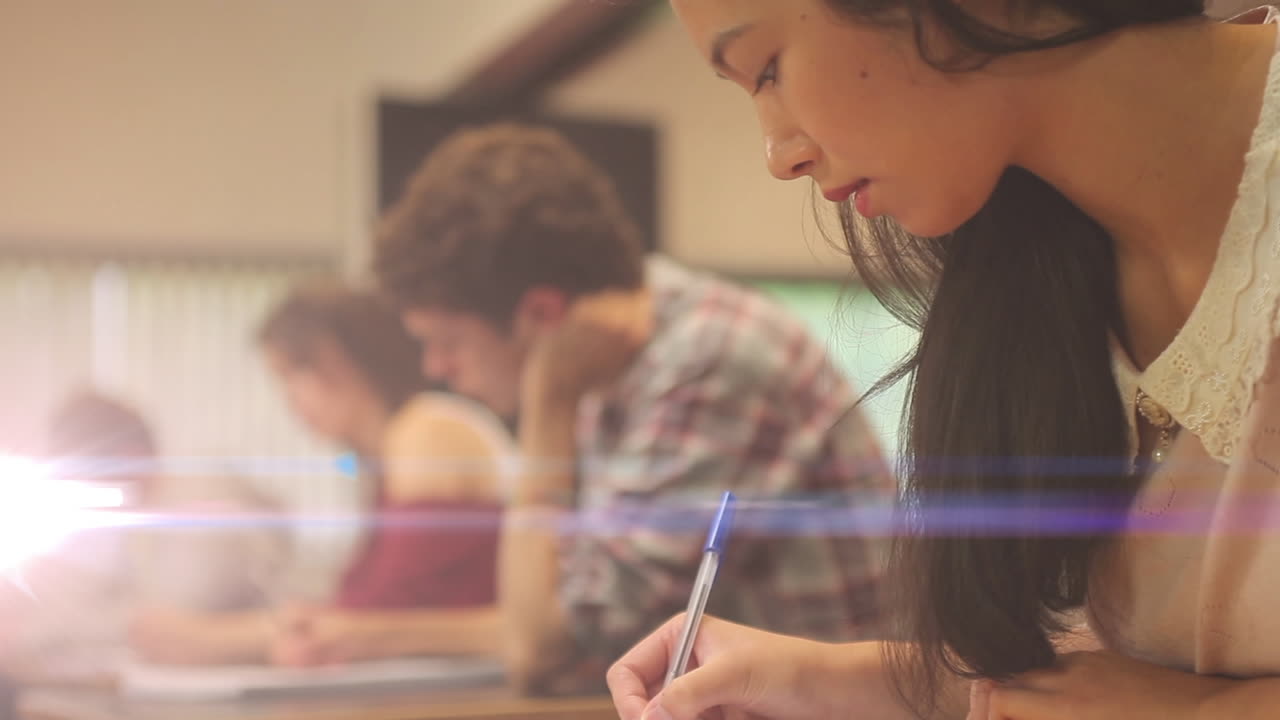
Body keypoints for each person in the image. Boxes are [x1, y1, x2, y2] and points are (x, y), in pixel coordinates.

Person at [607, 2, 1280, 719]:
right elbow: (1109, 686)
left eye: (767, 70)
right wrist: (804, 676)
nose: (779, 155)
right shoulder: (1043, 255)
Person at [373, 123, 896, 694]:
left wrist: (546, 410)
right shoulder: (619, 365)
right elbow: (553, 615)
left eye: (446, 341)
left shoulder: (710, 362)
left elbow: (541, 650)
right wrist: (360, 639)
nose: (435, 369)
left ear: (544, 314)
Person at [129, 281, 515, 666]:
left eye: (289, 375)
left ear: (332, 360)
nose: (289, 400)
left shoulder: (426, 430)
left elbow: (385, 616)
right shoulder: (386, 460)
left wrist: (210, 638)